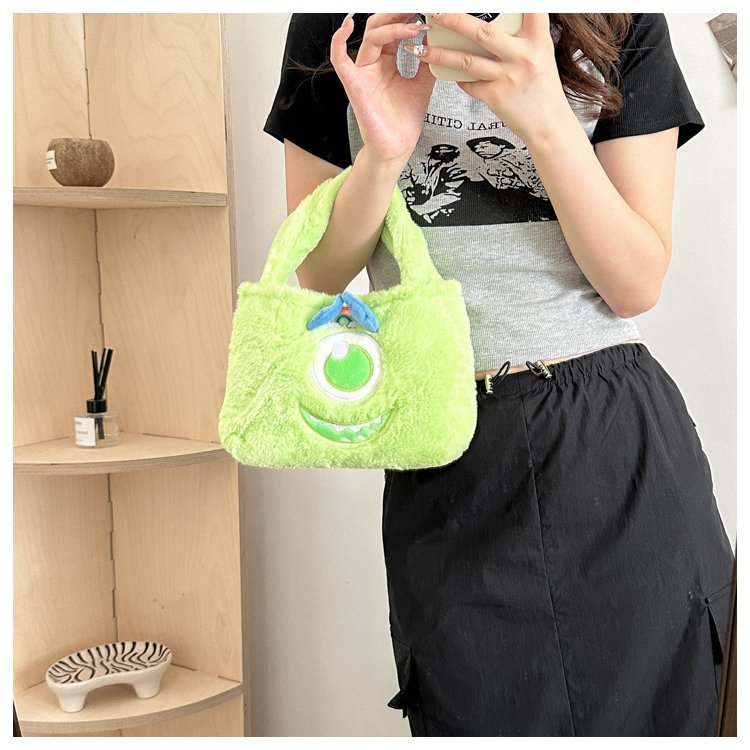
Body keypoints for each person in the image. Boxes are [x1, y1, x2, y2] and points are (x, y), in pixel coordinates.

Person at [263, 13, 735, 737]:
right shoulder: (340, 26)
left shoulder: (616, 20)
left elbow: (635, 283)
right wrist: (383, 155)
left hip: (610, 440)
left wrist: (545, 118)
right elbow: (317, 274)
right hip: (446, 447)